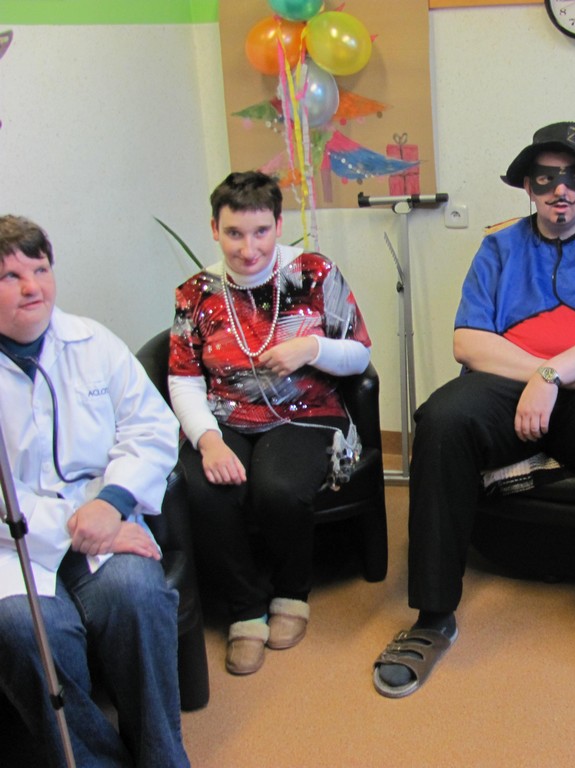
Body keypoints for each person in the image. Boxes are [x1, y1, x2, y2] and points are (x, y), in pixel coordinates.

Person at [372, 121, 575, 700]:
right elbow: (467, 342)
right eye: (546, 178)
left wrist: (556, 376)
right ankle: (432, 617)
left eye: (574, 178)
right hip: (512, 385)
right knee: (443, 419)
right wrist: (537, 374)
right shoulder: (499, 248)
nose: (561, 190)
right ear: (528, 187)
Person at [0, 215, 190, 767]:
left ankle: (162, 757)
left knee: (138, 597)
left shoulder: (91, 342)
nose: (33, 287)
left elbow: (151, 427)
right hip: (13, 545)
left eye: (41, 269)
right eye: (11, 276)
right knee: (30, 633)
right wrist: (77, 525)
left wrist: (112, 503)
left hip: (107, 515)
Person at [169, 171, 372, 676]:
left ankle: (291, 594)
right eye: (234, 233)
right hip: (226, 417)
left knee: (278, 487)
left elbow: (359, 354)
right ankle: (245, 610)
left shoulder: (313, 272)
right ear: (214, 230)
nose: (248, 248)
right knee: (204, 489)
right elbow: (184, 380)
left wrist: (311, 348)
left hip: (307, 412)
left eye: (261, 232)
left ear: (278, 225)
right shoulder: (196, 293)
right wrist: (208, 440)